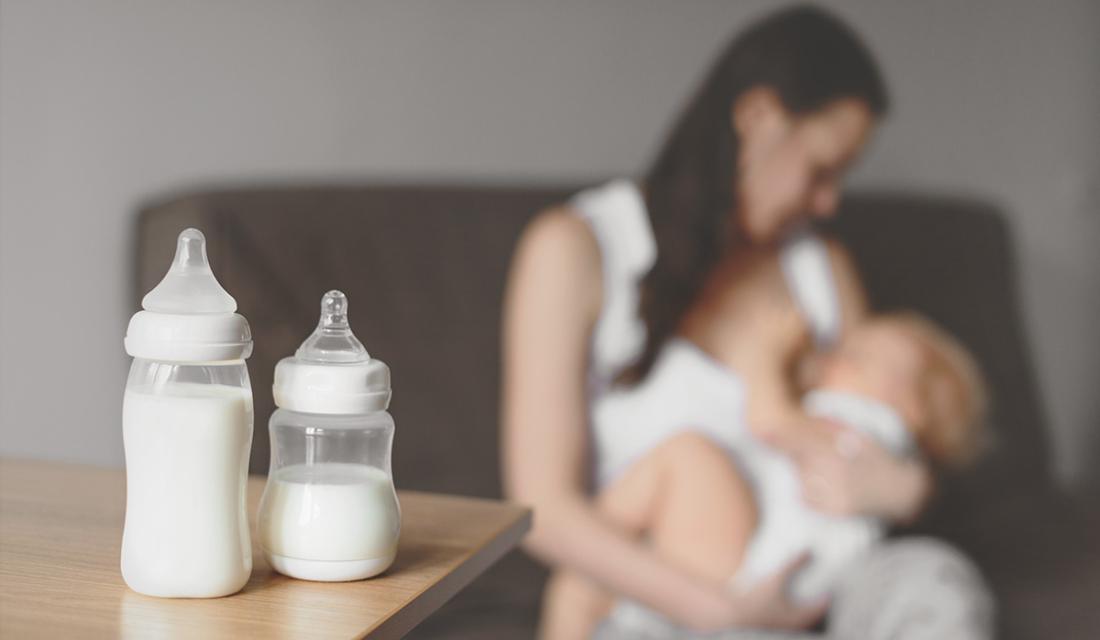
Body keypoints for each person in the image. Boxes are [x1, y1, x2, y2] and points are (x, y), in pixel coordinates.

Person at [500, 5, 994, 638]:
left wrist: (904, 488)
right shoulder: (576, 249)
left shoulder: (822, 265)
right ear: (757, 117)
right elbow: (546, 507)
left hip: (818, 582)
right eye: (821, 170)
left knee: (935, 577)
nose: (829, 202)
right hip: (670, 590)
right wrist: (722, 611)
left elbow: (876, 417)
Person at [551, 312, 988, 637]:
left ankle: (595, 558)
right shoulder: (851, 424)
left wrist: (764, 349)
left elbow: (768, 422)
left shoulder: (859, 424)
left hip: (759, 566)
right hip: (767, 573)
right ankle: (595, 561)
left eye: (863, 358)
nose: (841, 354)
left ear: (914, 408)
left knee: (686, 456)